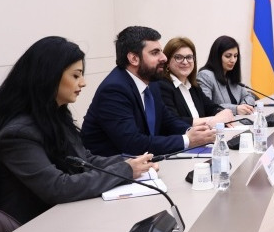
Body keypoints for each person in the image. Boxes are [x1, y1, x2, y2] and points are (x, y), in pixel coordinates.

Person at [0, 36, 158, 224]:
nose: (83, 83)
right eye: (76, 76)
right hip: (32, 227)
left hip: (64, 216)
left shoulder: (55, 115)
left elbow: (84, 160)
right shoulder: (17, 134)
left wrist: (133, 163)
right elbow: (57, 187)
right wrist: (125, 170)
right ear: (48, 77)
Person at [81, 26, 215, 157]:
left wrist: (193, 132)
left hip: (144, 162)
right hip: (111, 167)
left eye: (161, 51)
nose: (164, 58)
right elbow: (133, 143)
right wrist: (187, 140)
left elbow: (168, 121)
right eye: (155, 53)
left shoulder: (152, 83)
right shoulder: (114, 90)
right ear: (134, 58)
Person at [158, 36, 234, 126]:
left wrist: (223, 112)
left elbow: (211, 107)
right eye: (178, 57)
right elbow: (173, 121)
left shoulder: (194, 87)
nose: (185, 62)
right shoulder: (162, 86)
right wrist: (213, 120)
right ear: (167, 62)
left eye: (189, 57)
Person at [197, 35, 257, 115]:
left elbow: (249, 96)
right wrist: (236, 109)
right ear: (217, 56)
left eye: (235, 56)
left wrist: (244, 106)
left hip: (237, 121)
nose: (233, 60)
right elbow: (206, 106)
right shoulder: (205, 76)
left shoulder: (230, 76)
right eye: (228, 56)